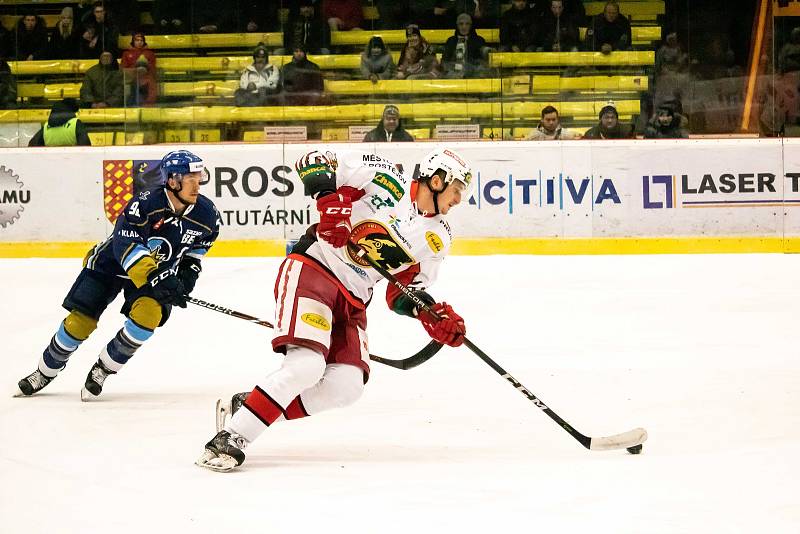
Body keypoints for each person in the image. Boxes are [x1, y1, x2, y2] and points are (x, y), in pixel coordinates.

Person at [196, 147, 472, 471]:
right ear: (437, 180)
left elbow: (403, 292)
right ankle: (231, 438)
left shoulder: (438, 236)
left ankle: (250, 406)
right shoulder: (384, 178)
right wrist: (330, 204)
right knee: (307, 366)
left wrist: (428, 313)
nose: (457, 200)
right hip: (315, 269)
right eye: (456, 191)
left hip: (353, 301)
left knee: (347, 386)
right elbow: (312, 161)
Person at [15, 150, 220, 400]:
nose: (197, 185)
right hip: (111, 265)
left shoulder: (207, 215)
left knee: (148, 317)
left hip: (155, 274)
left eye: (199, 178)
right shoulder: (143, 204)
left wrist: (186, 279)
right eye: (191, 178)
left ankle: (103, 369)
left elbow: (195, 253)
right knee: (80, 322)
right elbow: (126, 244)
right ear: (173, 180)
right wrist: (157, 274)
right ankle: (45, 371)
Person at [442, 13, 489, 79]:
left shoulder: (479, 40)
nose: (464, 27)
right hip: (453, 75)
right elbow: (445, 61)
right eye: (461, 24)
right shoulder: (451, 41)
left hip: (474, 74)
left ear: (471, 26)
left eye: (467, 24)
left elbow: (483, 62)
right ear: (457, 26)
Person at [121, 31, 158, 106]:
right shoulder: (126, 53)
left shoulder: (150, 53)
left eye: (141, 40)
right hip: (132, 77)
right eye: (137, 40)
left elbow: (153, 68)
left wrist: (145, 66)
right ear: (133, 42)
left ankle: (149, 103)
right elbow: (123, 68)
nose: (139, 42)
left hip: (147, 76)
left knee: (151, 82)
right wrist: (136, 68)